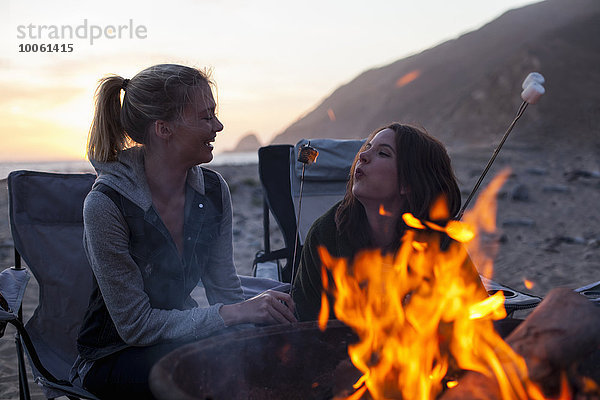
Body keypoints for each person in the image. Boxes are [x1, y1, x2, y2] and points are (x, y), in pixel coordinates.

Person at [71, 64, 295, 399]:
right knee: (214, 374)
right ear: (164, 129)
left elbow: (226, 291)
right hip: (114, 356)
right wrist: (234, 314)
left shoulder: (213, 192)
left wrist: (255, 326)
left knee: (276, 356)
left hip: (183, 340)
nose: (218, 126)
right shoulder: (107, 204)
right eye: (206, 117)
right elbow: (136, 326)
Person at [291, 123, 487, 321]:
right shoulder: (326, 236)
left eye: (383, 154)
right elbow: (302, 324)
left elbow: (478, 318)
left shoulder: (438, 243)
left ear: (408, 182)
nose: (362, 156)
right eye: (367, 148)